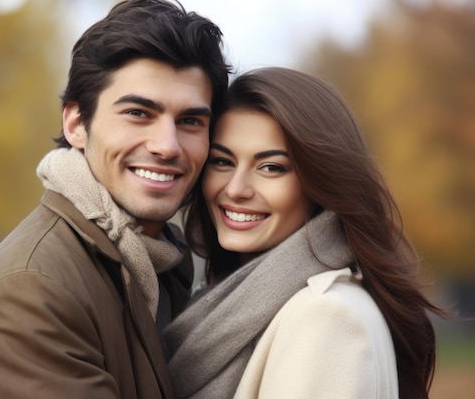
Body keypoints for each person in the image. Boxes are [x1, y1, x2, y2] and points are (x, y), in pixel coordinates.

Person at [0, 0, 231, 399]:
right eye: (138, 113)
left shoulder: (160, 262)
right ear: (76, 124)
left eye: (190, 121)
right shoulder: (32, 292)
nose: (167, 146)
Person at [164, 67, 443, 399]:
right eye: (222, 162)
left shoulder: (325, 317)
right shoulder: (237, 302)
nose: (236, 189)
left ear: (320, 182)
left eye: (271, 167)